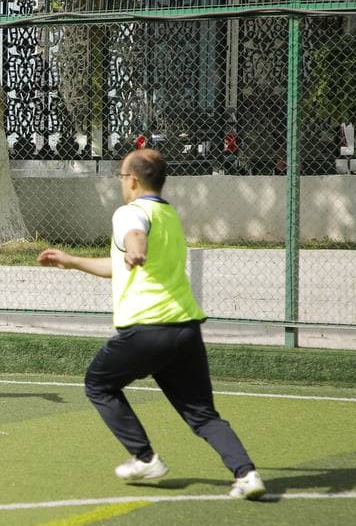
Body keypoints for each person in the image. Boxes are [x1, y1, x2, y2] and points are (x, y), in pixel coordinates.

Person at [36, 148, 265, 500]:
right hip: (184, 329)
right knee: (202, 415)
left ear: (132, 180)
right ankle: (247, 474)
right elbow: (121, 265)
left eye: (120, 175)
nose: (120, 182)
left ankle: (144, 458)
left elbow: (134, 236)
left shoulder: (131, 213)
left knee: (98, 384)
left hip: (147, 328)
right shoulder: (169, 215)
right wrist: (72, 261)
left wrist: (135, 247)